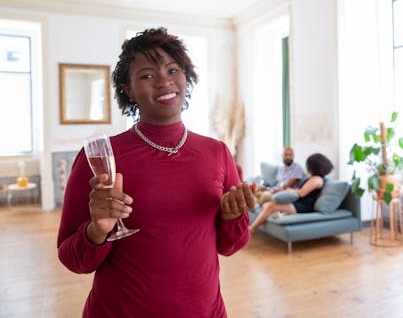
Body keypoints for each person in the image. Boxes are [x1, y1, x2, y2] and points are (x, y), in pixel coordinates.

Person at [57, 27, 256, 318]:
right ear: (128, 88)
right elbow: (72, 259)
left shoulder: (218, 152)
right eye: (147, 75)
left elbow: (230, 246)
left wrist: (233, 216)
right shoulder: (101, 157)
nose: (164, 81)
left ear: (186, 77)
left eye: (173, 69)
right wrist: (97, 229)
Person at [249, 153, 333, 233]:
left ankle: (251, 229)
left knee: (270, 206)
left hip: (304, 206)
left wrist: (290, 190)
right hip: (298, 202)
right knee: (266, 205)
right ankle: (279, 214)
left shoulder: (317, 179)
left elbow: (302, 193)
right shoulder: (313, 178)